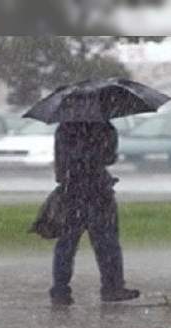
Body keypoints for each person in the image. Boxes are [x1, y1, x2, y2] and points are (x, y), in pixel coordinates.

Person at [49, 121, 140, 306]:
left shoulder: (65, 127)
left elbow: (60, 161)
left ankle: (60, 290)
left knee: (66, 244)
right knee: (107, 243)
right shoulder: (104, 127)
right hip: (98, 191)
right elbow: (109, 157)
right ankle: (112, 287)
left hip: (71, 191)